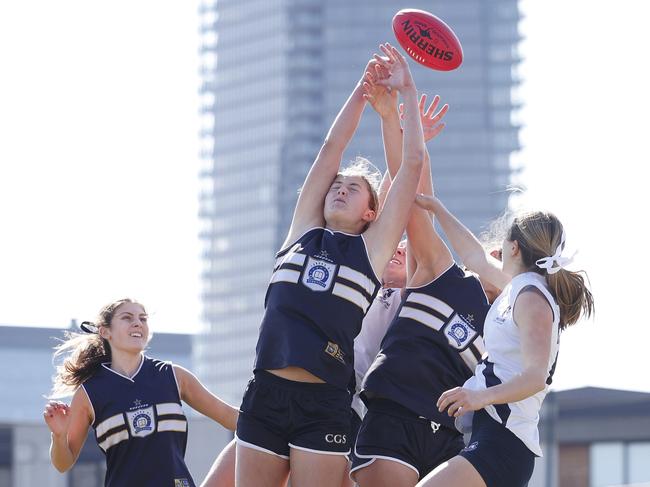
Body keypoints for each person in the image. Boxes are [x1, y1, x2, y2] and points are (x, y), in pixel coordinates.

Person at [234, 43, 427, 487]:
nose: (339, 188)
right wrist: (362, 91)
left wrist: (403, 98)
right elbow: (329, 149)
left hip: (323, 402)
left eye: (354, 187)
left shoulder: (372, 251)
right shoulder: (302, 230)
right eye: (336, 184)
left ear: (371, 213)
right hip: (266, 390)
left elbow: (411, 166)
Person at [349, 70, 492, 487]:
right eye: (494, 249)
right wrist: (399, 117)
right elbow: (412, 191)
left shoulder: (513, 328)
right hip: (388, 416)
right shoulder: (444, 274)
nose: (496, 255)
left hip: (447, 438)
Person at [413, 196, 594, 487]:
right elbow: (474, 256)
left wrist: (477, 397)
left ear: (513, 248)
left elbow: (536, 378)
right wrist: (438, 209)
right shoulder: (519, 288)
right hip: (493, 436)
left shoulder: (532, 298)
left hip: (505, 443)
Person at [200, 241, 407, 487]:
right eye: (395, 244)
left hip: (337, 408)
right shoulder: (348, 273)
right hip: (279, 393)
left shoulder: (403, 301)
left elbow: (422, 250)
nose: (399, 249)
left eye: (406, 249)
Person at [43, 298, 238, 487]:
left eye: (143, 319)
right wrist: (59, 436)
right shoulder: (89, 393)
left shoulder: (174, 376)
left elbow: (232, 418)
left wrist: (267, 411)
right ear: (105, 331)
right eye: (127, 318)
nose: (138, 323)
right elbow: (63, 464)